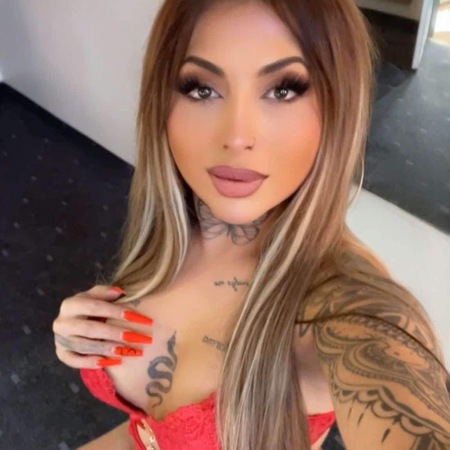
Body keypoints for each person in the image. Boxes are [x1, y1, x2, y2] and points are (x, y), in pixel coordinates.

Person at [52, 0, 450, 449]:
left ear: (339, 107)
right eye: (202, 89)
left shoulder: (346, 310)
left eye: (283, 90)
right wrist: (81, 333)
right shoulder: (174, 229)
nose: (237, 136)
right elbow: (143, 433)